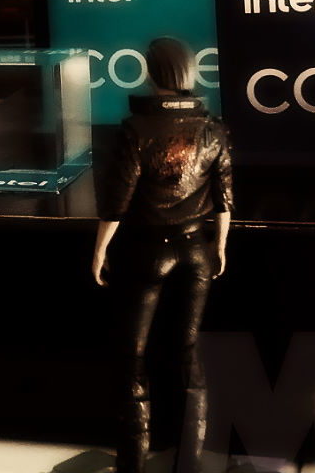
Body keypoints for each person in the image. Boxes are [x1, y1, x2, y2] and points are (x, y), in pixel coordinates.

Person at [91, 37, 234, 473]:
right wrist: (220, 245)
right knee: (187, 351)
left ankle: (132, 461)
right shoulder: (211, 127)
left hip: (146, 250)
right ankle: (190, 459)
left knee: (133, 355)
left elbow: (117, 202)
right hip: (196, 249)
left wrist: (100, 249)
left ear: (153, 74)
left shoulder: (135, 129)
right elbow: (224, 196)